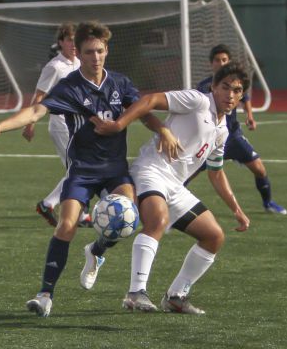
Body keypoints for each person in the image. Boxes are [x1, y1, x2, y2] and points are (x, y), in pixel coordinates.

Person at [0, 21, 178, 318]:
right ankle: (45, 295)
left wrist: (163, 130)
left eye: (99, 51)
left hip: (114, 170)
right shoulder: (70, 87)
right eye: (88, 52)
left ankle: (96, 251)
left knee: (128, 220)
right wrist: (0, 127)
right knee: (66, 225)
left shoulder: (120, 83)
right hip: (81, 170)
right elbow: (36, 110)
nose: (95, 57)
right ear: (79, 54)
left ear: (106, 50)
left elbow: (143, 112)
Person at [91, 62, 251, 314]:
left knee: (214, 236)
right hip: (151, 170)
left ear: (241, 96)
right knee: (157, 222)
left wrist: (237, 210)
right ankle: (135, 293)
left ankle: (176, 296)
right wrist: (120, 124)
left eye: (237, 90)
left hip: (175, 186)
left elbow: (216, 173)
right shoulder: (197, 100)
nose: (230, 95)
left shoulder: (222, 130)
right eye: (225, 87)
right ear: (214, 87)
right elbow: (150, 100)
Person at [194, 44, 287, 215]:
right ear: (211, 63)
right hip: (210, 139)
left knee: (259, 169)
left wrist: (249, 115)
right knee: (186, 174)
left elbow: (245, 98)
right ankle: (169, 208)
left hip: (233, 137)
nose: (221, 63)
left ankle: (268, 203)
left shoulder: (235, 82)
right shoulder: (204, 86)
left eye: (224, 60)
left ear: (229, 61)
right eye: (217, 60)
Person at [21, 22, 91, 227]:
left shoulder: (79, 63)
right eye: (68, 40)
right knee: (79, 169)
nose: (72, 44)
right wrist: (30, 123)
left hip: (79, 123)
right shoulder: (54, 67)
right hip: (61, 124)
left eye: (75, 39)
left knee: (80, 169)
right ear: (61, 42)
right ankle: (53, 205)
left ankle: (72, 211)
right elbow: (40, 96)